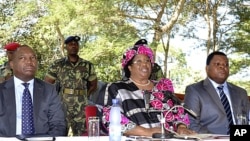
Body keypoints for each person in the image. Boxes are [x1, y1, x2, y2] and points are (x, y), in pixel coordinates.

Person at [97, 44, 196, 137]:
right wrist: (146, 132)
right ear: (130, 67)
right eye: (138, 61)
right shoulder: (117, 88)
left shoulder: (162, 87)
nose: (144, 64)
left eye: (147, 61)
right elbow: (109, 119)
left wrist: (181, 127)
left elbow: (178, 113)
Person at [0, 45, 66, 137]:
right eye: (22, 58)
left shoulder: (49, 90)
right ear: (12, 64)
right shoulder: (1, 91)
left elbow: (58, 125)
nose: (29, 62)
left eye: (33, 58)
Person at [184, 51, 250, 135]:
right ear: (207, 68)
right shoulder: (195, 90)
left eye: (226, 65)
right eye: (217, 64)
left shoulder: (241, 92)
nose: (223, 67)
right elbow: (192, 124)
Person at [44, 35, 98, 136]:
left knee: (82, 135)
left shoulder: (87, 65)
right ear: (65, 47)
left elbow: (94, 85)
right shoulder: (58, 64)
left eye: (76, 44)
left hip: (82, 106)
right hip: (63, 104)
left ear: (78, 47)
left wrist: (85, 96)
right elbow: (47, 84)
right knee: (60, 133)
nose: (73, 46)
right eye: (70, 44)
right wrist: (54, 100)